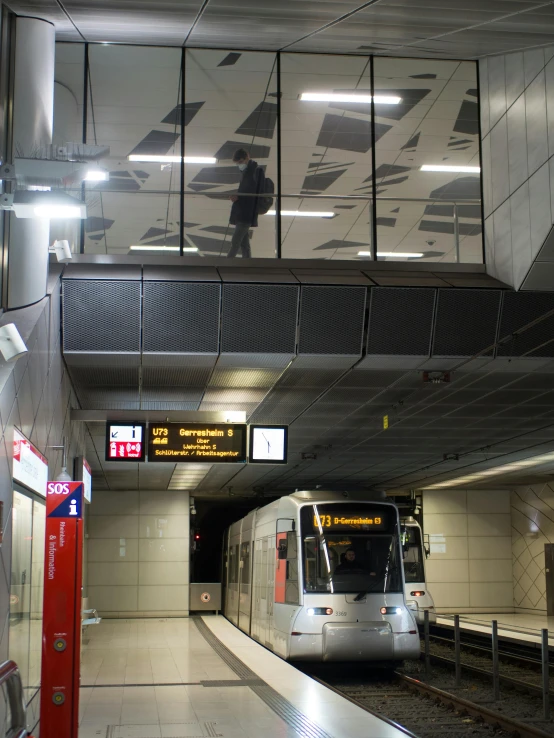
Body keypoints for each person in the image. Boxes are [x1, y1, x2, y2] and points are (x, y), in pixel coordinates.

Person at [228, 148, 263, 258]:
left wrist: (239, 197)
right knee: (244, 243)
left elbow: (254, 192)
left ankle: (226, 264)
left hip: (246, 213)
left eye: (240, 162)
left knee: (236, 241)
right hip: (243, 212)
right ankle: (248, 264)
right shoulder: (248, 172)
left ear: (246, 158)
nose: (239, 165)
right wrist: (238, 196)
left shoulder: (254, 171)